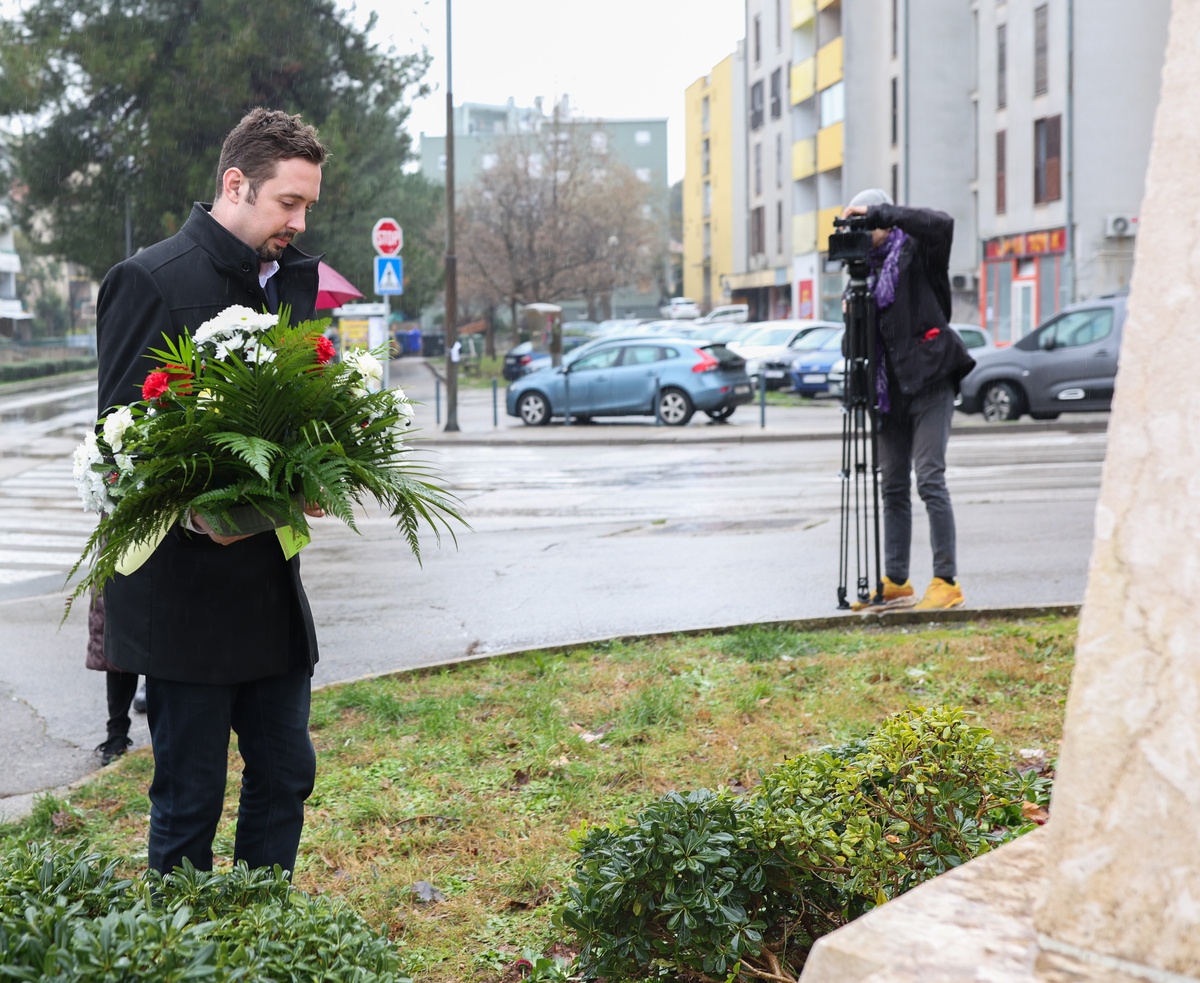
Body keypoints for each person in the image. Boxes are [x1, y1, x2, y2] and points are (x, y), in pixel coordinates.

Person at [95, 108, 328, 875]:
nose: (298, 221)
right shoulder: (150, 280)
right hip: (183, 598)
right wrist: (200, 515)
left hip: (270, 585)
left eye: (307, 206)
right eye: (287, 203)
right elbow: (118, 445)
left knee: (288, 775)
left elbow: (294, 411)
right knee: (190, 797)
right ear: (236, 184)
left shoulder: (294, 279)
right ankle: (183, 951)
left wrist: (316, 464)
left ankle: (263, 930)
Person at [841, 189, 976, 611]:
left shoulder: (919, 252)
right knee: (892, 486)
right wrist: (853, 318)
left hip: (931, 380)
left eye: (868, 223)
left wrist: (883, 213)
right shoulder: (860, 275)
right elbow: (854, 350)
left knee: (929, 478)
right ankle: (897, 580)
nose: (864, 232)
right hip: (888, 393)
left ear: (887, 220)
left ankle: (946, 580)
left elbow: (943, 223)